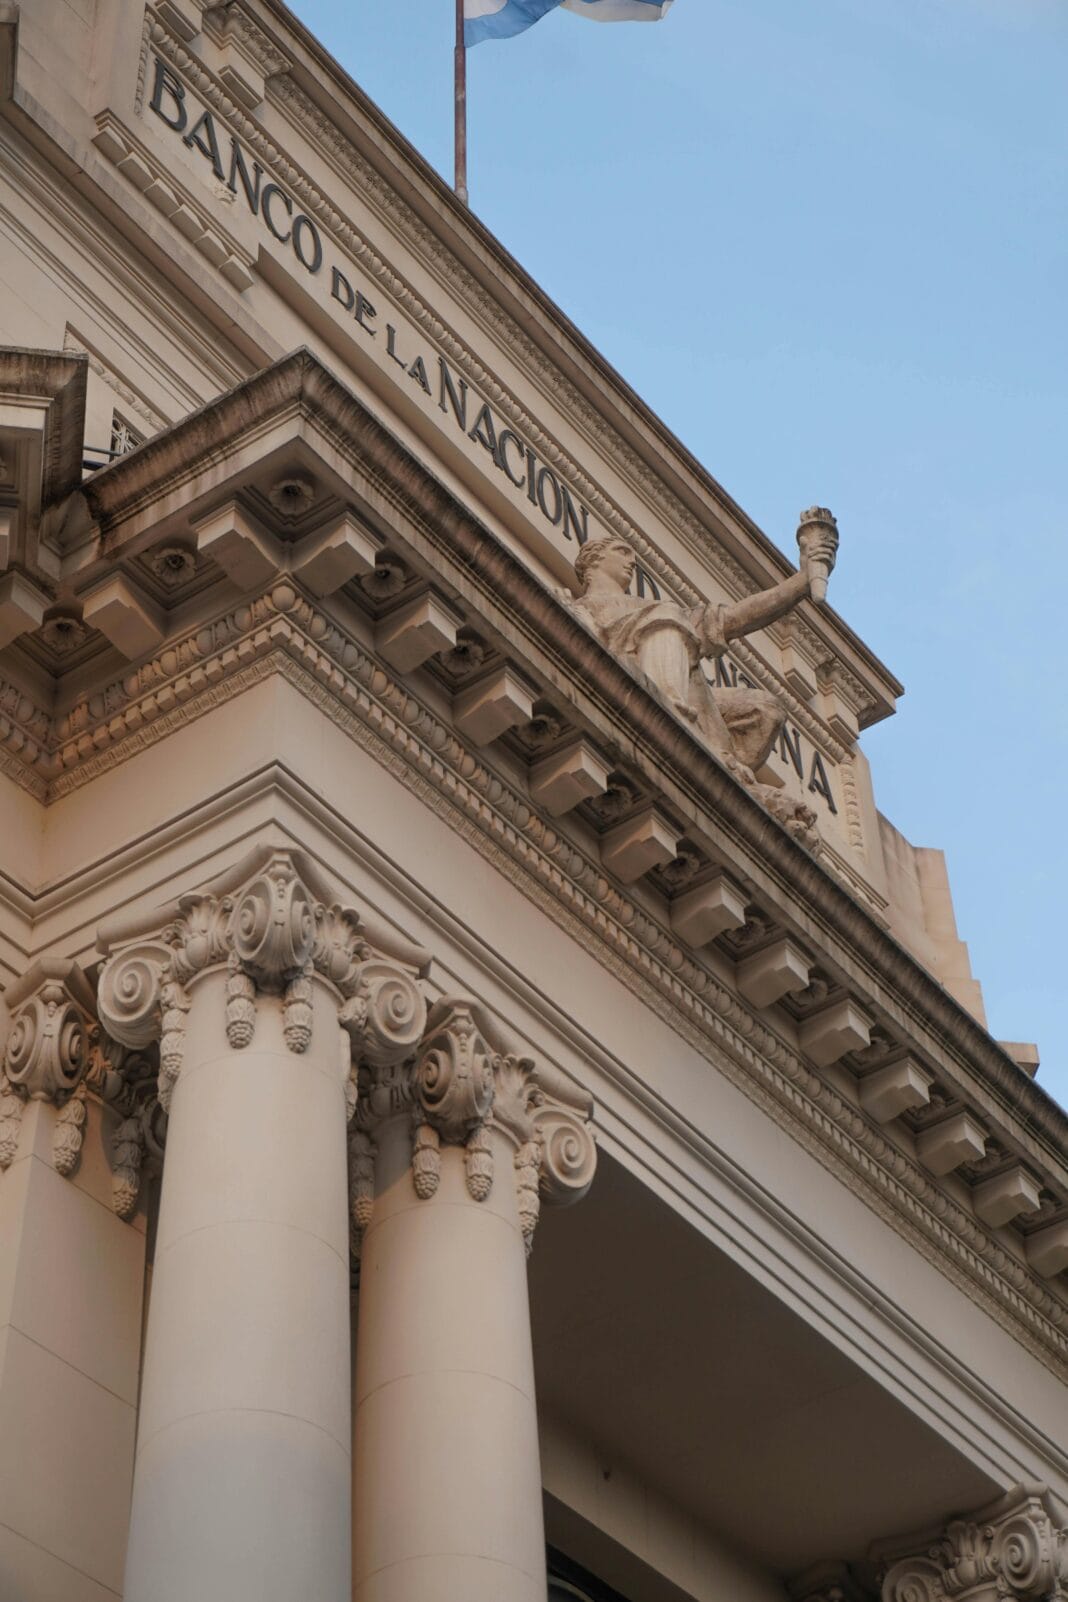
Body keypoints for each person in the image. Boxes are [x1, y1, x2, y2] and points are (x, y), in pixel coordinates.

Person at [570, 531, 836, 782]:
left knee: (766, 710)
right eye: (622, 551)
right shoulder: (582, 608)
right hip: (638, 701)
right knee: (667, 615)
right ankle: (670, 722)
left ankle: (724, 782)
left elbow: (732, 619)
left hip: (689, 707)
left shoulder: (657, 613)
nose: (632, 560)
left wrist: (803, 580)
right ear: (594, 559)